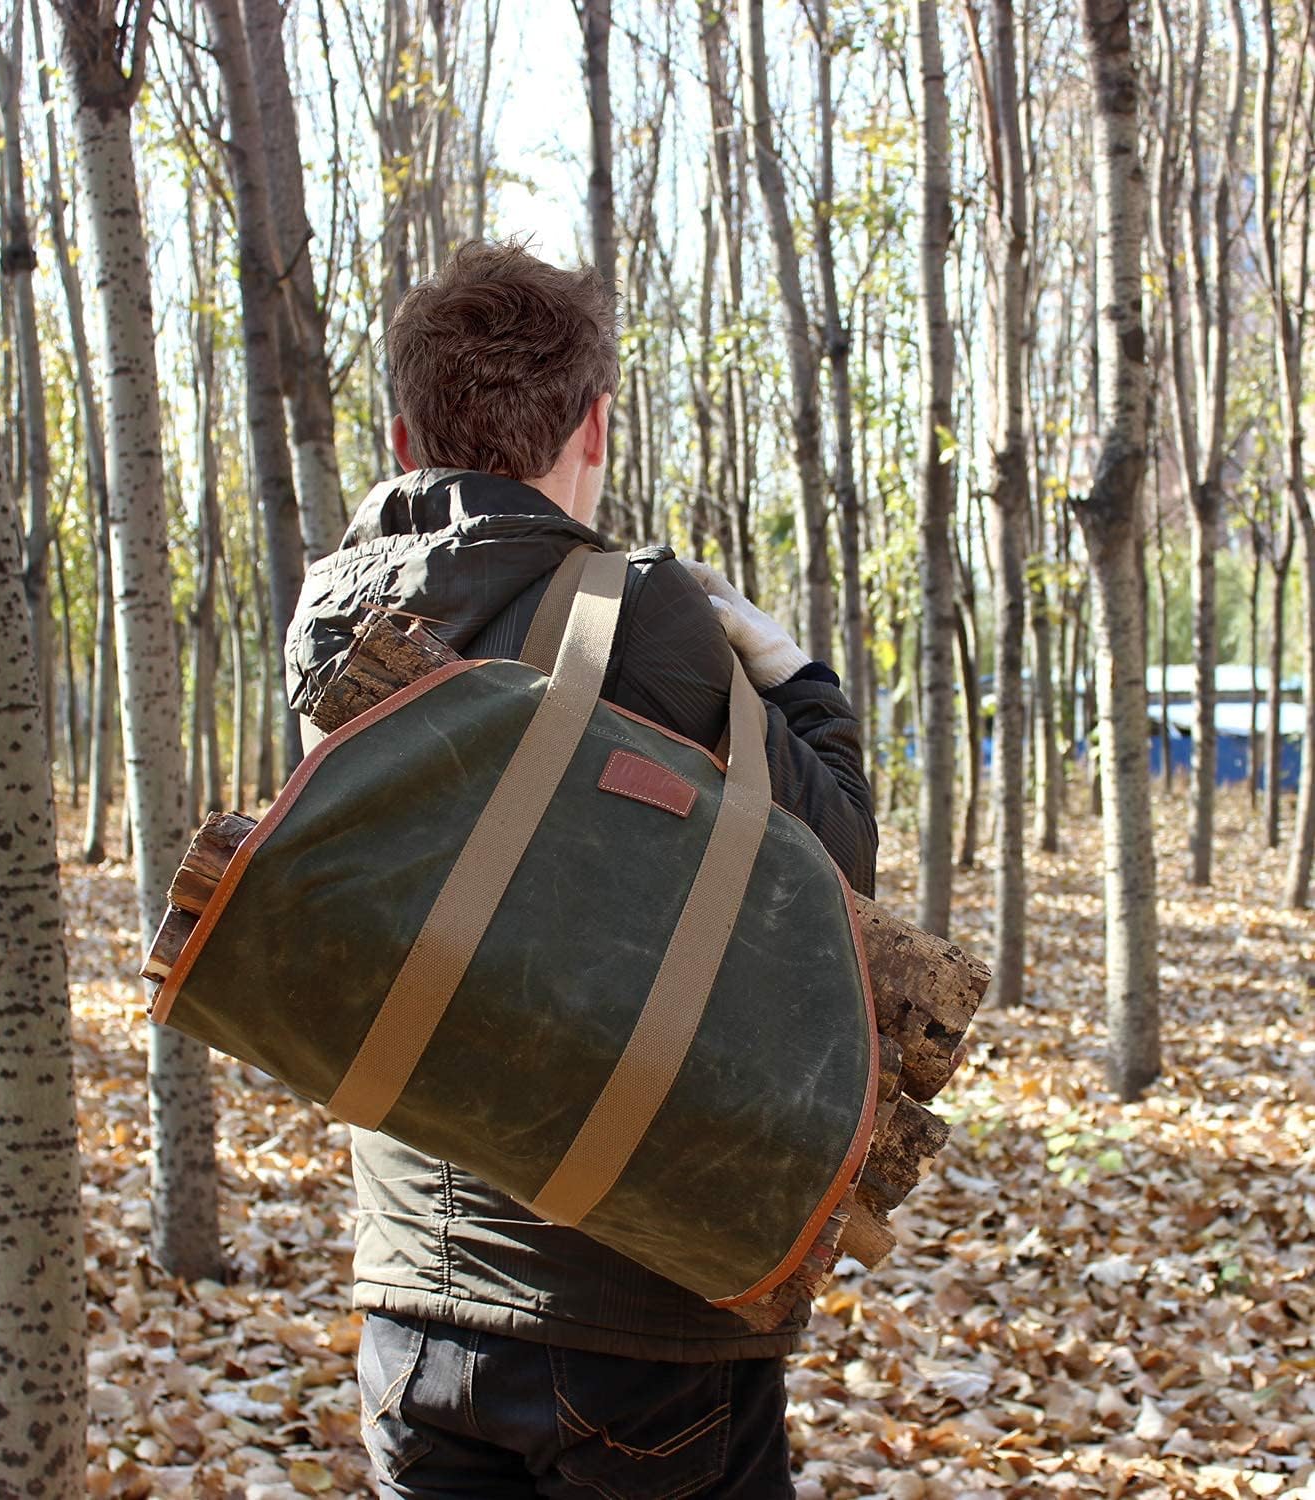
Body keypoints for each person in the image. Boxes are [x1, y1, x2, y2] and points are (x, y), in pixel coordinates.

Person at [284, 240, 877, 1499]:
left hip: (411, 1304)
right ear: (596, 423)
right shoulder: (641, 614)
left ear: (403, 437)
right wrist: (795, 682)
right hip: (631, 1316)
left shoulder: (336, 620)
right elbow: (839, 860)